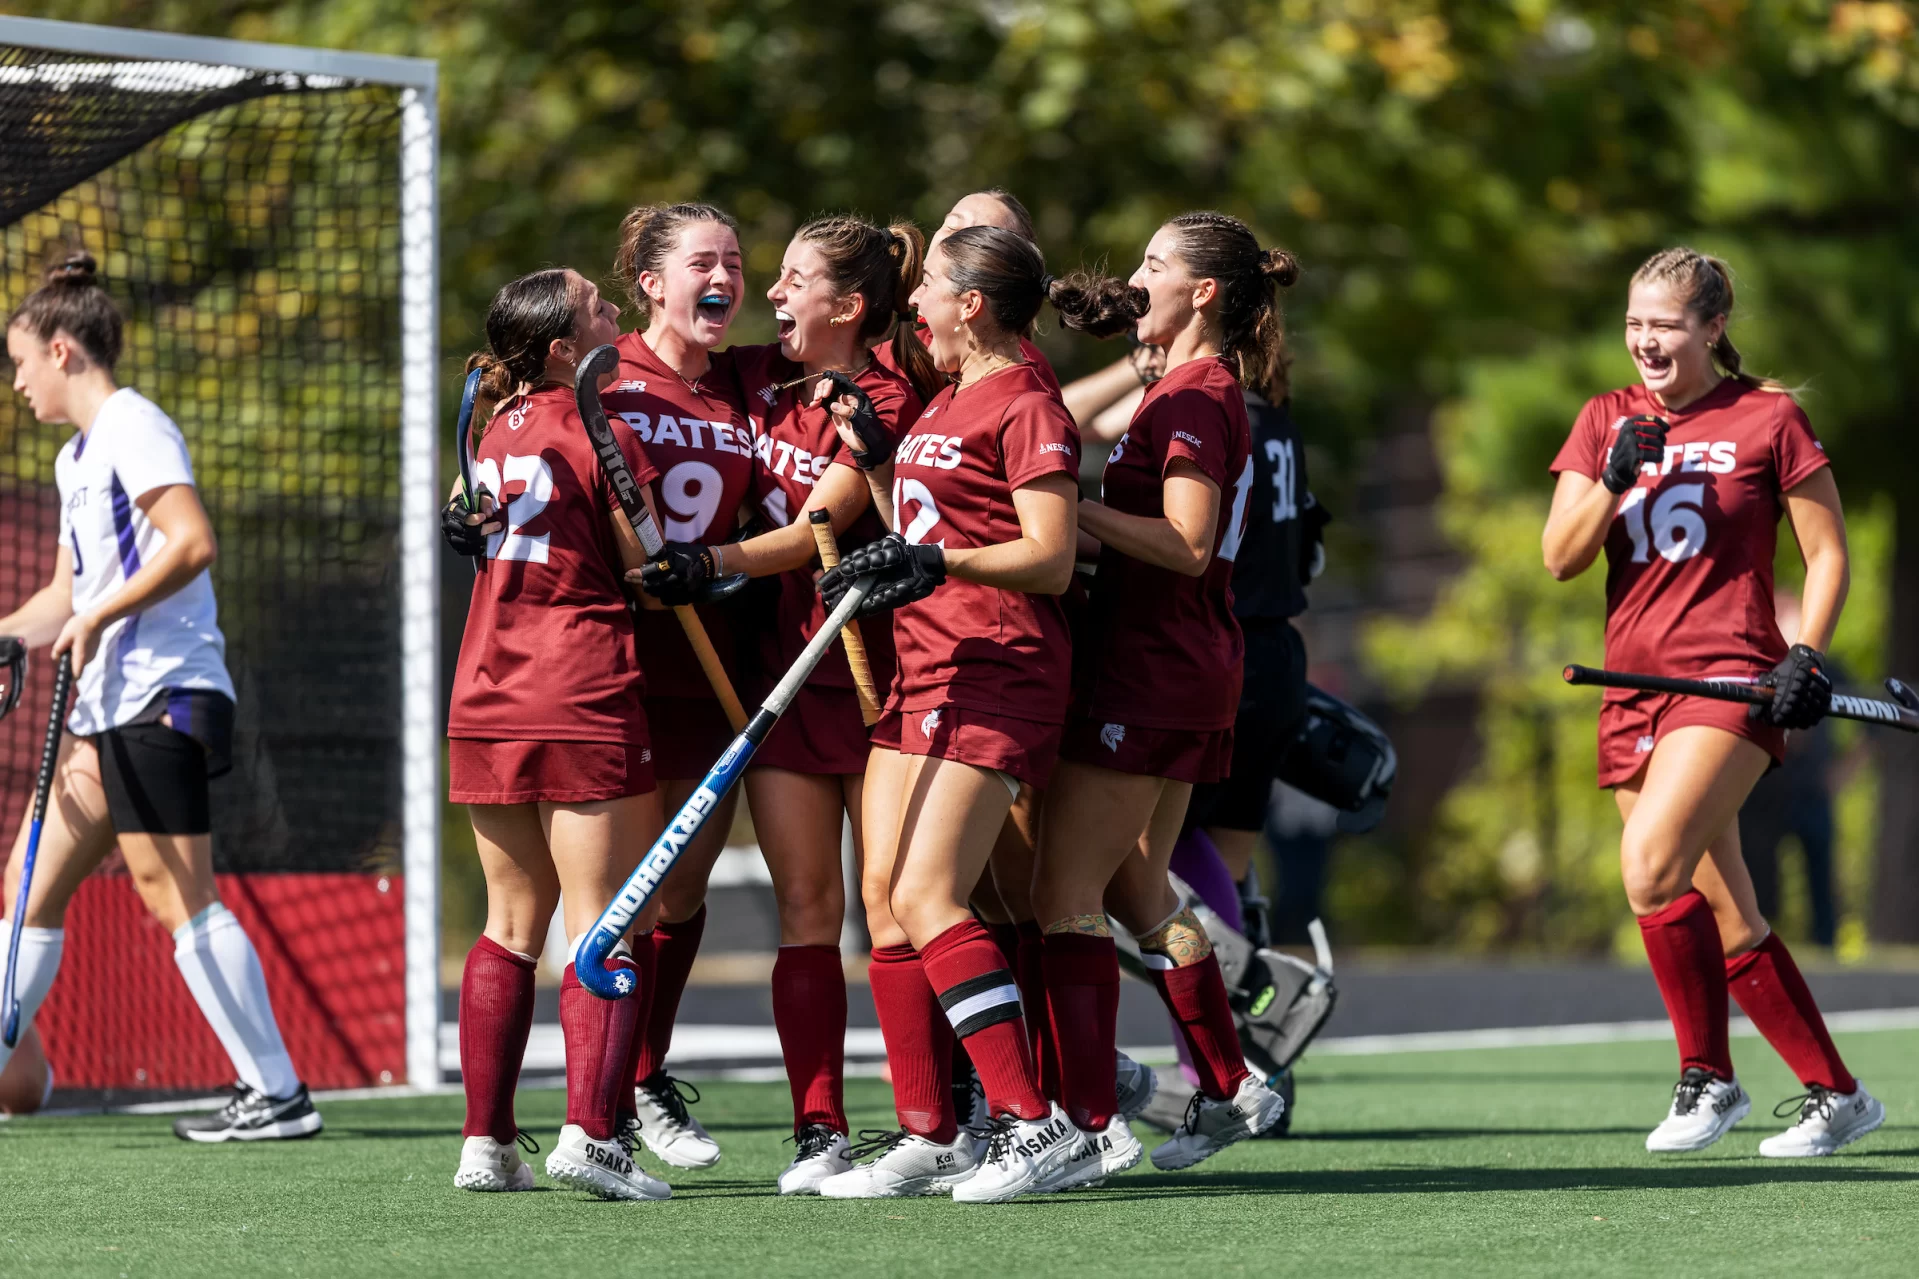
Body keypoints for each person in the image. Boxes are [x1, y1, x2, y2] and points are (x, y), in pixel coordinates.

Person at [813, 226, 1141, 1201]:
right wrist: (875, 464)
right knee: (883, 899)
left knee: (927, 896)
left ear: (971, 304)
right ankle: (936, 1133)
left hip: (996, 670)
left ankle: (1030, 1123)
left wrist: (939, 565)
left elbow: (1045, 553)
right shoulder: (944, 398)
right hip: (923, 669)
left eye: (925, 292)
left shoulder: (1027, 402)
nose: (910, 307)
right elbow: (920, 526)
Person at [1542, 246, 1882, 1157]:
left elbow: (1828, 555)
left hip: (1730, 681)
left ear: (1713, 328)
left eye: (1664, 325)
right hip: (1630, 689)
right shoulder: (1603, 420)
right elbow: (1559, 557)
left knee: (1649, 867)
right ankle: (1836, 1093)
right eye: (1632, 323)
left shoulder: (1767, 417)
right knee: (1724, 911)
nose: (1643, 342)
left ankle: (1707, 1078)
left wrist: (1805, 653)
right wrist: (1613, 478)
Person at [637, 214, 936, 1193]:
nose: (767, 292)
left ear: (846, 307)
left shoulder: (882, 393)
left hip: (877, 674)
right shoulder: (751, 374)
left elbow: (818, 525)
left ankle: (935, 1120)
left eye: (791, 279)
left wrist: (708, 562)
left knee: (895, 911)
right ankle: (820, 1128)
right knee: (806, 906)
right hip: (778, 675)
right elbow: (638, 372)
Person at [0, 254, 318, 1142]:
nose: (17, 380)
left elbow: (191, 541)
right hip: (103, 709)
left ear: (63, 351)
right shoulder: (77, 458)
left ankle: (279, 1094)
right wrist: (7, 633)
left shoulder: (134, 425)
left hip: (161, 693)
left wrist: (100, 612)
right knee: (27, 888)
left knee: (174, 892)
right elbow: (68, 589)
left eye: (21, 361)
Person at [1033, 212, 1294, 1174]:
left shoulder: (1192, 395)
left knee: (1065, 890)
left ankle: (1084, 1122)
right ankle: (1228, 1083)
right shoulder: (1186, 388)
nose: (1135, 277)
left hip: (1155, 662)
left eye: (1155, 263)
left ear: (1205, 293)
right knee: (1139, 883)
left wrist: (1057, 501)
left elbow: (1183, 545)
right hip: (1180, 660)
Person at [442, 266, 671, 1200]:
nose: (620, 317)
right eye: (602, 310)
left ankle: (485, 1143)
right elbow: (644, 555)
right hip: (579, 685)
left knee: (507, 924)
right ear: (567, 350)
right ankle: (592, 1134)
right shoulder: (598, 425)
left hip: (488, 691)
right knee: (604, 920)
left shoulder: (494, 426)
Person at [597, 202, 762, 1172]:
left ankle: (643, 1064)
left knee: (682, 886)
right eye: (703, 262)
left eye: (735, 262)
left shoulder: (743, 385)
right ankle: (612, 1088)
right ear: (650, 281)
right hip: (618, 669)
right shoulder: (603, 373)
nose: (725, 278)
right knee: (622, 886)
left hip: (715, 668)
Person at [1736, 592, 1840, 947]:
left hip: (1812, 792)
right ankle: (1762, 938)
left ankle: (1825, 942)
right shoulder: (1756, 666)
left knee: (1820, 880)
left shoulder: (1828, 667)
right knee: (1759, 878)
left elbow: (1869, 734)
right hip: (1766, 791)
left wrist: (1841, 773)